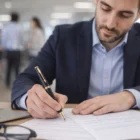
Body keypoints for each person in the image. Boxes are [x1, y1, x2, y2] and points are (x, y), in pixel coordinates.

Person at [12, 0, 140, 119]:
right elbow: (25, 79)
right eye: (105, 9)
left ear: (138, 14)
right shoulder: (63, 36)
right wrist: (31, 98)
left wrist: (131, 97)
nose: (110, 24)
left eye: (124, 15)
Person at [1, 12, 23, 87]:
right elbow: (21, 39)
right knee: (17, 68)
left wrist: (2, 46)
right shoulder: (19, 27)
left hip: (9, 51)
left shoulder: (6, 27)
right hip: (17, 51)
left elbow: (3, 38)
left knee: (9, 68)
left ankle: (7, 83)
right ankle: (17, 84)